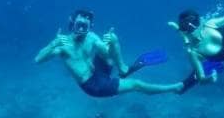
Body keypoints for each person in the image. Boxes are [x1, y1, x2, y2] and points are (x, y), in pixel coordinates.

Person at [36, 9, 184, 97]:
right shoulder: (64, 46)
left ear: (90, 26)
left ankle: (123, 69)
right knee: (136, 84)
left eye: (85, 26)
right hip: (93, 85)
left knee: (111, 40)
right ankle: (174, 88)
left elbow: (108, 54)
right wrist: (52, 44)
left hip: (99, 72)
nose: (82, 29)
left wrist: (112, 42)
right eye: (79, 24)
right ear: (72, 23)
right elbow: (38, 59)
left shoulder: (92, 36)